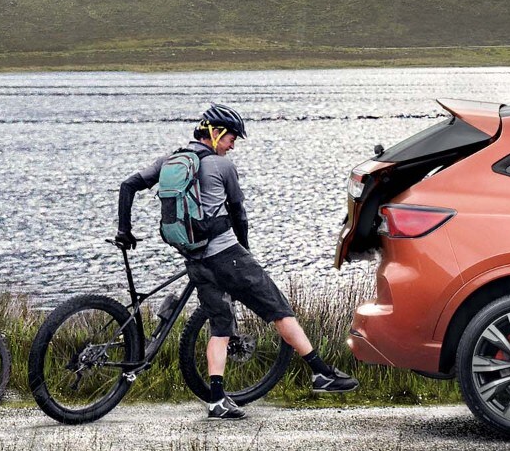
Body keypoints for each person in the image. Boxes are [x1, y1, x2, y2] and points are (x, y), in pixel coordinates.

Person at [116, 103, 358, 420]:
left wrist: (125, 230)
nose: (233, 144)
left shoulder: (170, 161)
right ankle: (321, 373)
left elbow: (128, 185)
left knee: (220, 324)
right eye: (232, 137)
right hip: (225, 255)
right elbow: (238, 213)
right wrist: (245, 252)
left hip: (194, 257)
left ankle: (217, 400)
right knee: (279, 308)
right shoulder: (221, 166)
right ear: (216, 134)